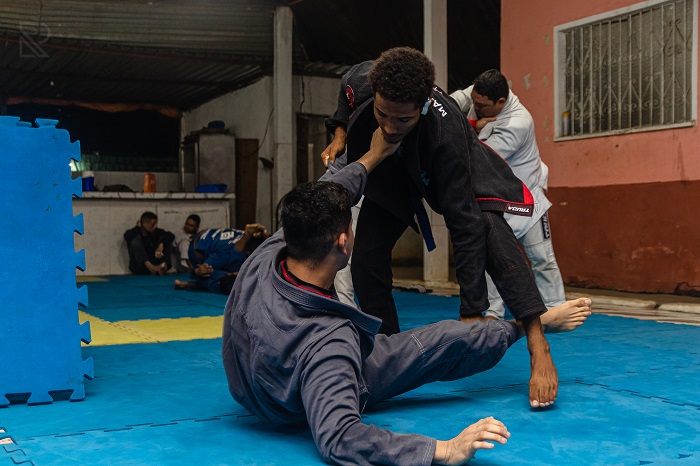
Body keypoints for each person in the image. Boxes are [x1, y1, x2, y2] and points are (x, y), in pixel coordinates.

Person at [222, 146, 592, 465]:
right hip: (290, 400)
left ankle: (526, 324)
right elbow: (338, 438)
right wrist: (443, 450)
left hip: (251, 380)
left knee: (438, 338)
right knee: (444, 340)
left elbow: (333, 187)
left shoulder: (266, 255)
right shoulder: (329, 346)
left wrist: (374, 153)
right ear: (342, 241)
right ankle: (521, 327)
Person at [321, 47, 590, 408]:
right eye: (382, 114)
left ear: (423, 108)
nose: (388, 127)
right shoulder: (366, 80)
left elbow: (463, 226)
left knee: (491, 232)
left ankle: (537, 339)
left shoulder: (445, 135)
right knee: (367, 259)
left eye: (402, 120)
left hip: (449, 168)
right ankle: (384, 354)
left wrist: (471, 311)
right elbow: (346, 91)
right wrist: (339, 132)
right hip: (394, 173)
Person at [450, 69, 565, 319]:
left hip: (526, 196)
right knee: (491, 255)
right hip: (496, 197)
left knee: (542, 257)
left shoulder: (518, 123)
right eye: (475, 103)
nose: (476, 107)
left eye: (482, 106)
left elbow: (481, 158)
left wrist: (469, 125)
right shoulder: (477, 95)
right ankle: (494, 312)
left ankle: (557, 309)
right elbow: (450, 104)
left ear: (501, 102)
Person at [174, 224, 268, 294]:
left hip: (213, 238)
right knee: (230, 282)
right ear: (248, 253)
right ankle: (190, 284)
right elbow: (203, 271)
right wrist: (197, 271)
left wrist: (264, 233)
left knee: (244, 273)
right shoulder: (225, 254)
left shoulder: (253, 240)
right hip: (197, 250)